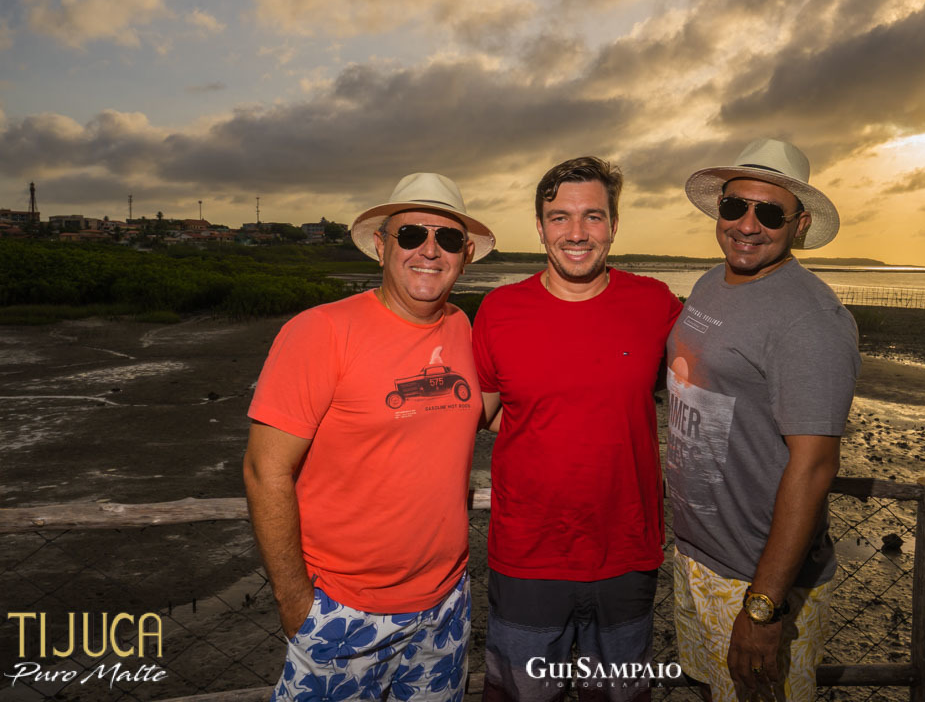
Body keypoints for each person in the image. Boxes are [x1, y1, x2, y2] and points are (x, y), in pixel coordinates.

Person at [243, 172, 495, 702]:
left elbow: (489, 412)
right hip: (341, 607)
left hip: (446, 605)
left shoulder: (464, 329)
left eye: (447, 238)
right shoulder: (320, 331)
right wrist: (295, 602)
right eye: (410, 235)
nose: (429, 250)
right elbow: (265, 470)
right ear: (381, 247)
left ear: (465, 253)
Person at [471, 156, 683, 702]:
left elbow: (716, 378)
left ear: (614, 225)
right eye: (559, 217)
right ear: (539, 227)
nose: (577, 233)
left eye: (593, 216)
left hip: (628, 556)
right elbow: (482, 416)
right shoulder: (498, 311)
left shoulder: (655, 304)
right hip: (528, 556)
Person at [666, 138, 860, 701]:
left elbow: (815, 467)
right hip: (697, 556)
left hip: (755, 579)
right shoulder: (711, 283)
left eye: (770, 212)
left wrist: (765, 608)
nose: (748, 225)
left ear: (799, 225)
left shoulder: (810, 320)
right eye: (735, 207)